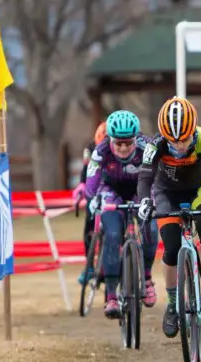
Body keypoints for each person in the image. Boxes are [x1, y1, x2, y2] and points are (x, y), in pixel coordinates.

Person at [136, 96, 201, 339]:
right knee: (170, 246)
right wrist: (145, 200)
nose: (178, 146)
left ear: (193, 131)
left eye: (185, 139)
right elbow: (145, 176)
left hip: (200, 188)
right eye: (173, 141)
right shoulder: (155, 145)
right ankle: (172, 305)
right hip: (166, 192)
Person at [84, 110, 159, 318]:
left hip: (139, 190)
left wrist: (156, 199)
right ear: (111, 140)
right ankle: (111, 296)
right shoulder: (101, 150)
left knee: (151, 227)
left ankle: (146, 276)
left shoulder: (147, 146)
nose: (124, 148)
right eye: (119, 143)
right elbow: (91, 182)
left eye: (128, 143)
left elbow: (160, 175)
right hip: (111, 191)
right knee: (113, 235)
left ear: (136, 138)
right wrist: (92, 200)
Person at [73, 121, 107, 285]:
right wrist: (81, 185)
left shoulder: (124, 145)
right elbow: (86, 169)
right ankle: (89, 266)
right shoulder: (90, 148)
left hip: (114, 186)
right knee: (90, 224)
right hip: (95, 185)